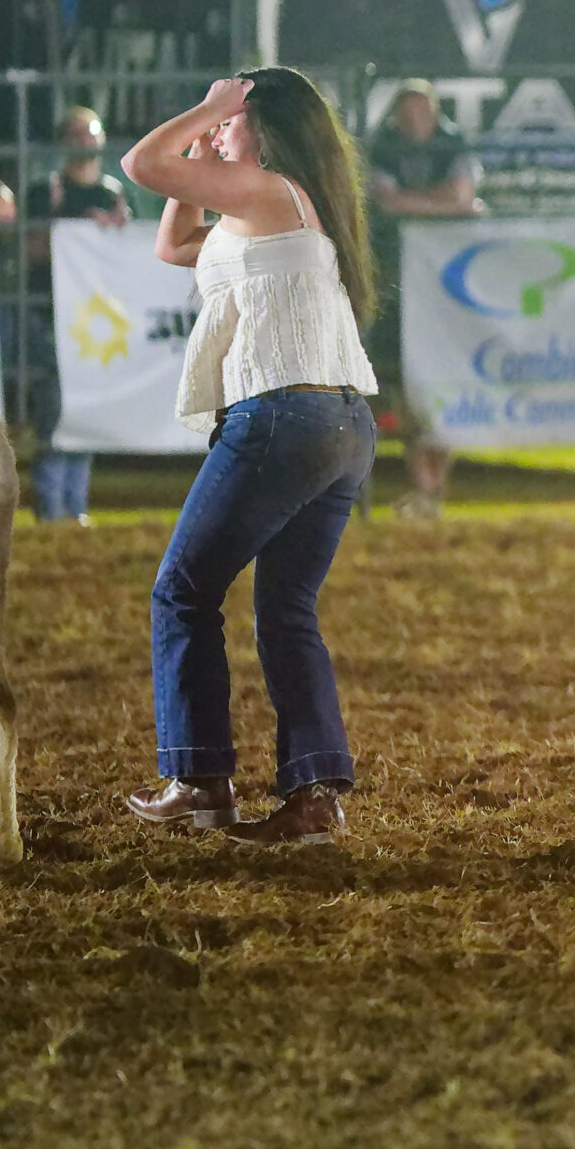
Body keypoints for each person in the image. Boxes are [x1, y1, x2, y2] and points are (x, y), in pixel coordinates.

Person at [117, 69, 381, 847]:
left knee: (181, 592)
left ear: (264, 127)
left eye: (236, 119)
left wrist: (205, 107)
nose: (224, 132)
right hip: (339, 425)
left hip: (282, 415)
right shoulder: (283, 204)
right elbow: (172, 243)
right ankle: (314, 798)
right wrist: (206, 137)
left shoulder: (268, 188)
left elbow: (139, 163)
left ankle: (199, 779)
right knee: (284, 611)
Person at [363, 84, 483, 516]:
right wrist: (448, 206)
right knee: (404, 385)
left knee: (446, 380)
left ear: (435, 113)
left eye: (422, 110)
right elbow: (389, 203)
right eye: (406, 111)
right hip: (398, 283)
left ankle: (435, 488)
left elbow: (461, 194)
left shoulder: (456, 144)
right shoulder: (383, 147)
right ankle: (425, 485)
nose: (415, 119)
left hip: (449, 283)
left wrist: (421, 204)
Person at [29, 106, 129, 526]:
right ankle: (51, 507)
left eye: (91, 133)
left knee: (84, 402)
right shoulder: (44, 190)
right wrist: (72, 231)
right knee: (54, 405)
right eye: (76, 134)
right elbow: (31, 249)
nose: (86, 142)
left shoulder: (112, 193)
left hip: (94, 317)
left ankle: (76, 504)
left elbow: (128, 252)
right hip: (50, 311)